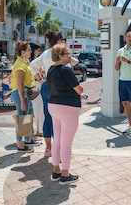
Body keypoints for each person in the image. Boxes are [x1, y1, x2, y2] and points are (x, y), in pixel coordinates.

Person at [30, 31, 78, 157]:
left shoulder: (45, 53)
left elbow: (32, 65)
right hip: (61, 88)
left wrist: (41, 79)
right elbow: (75, 63)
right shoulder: (60, 54)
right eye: (62, 40)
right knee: (61, 120)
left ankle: (49, 148)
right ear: (58, 41)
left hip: (47, 86)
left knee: (48, 118)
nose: (64, 42)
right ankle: (60, 150)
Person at [47, 43, 84, 185]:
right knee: (66, 142)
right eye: (67, 53)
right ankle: (65, 174)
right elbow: (79, 90)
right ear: (60, 56)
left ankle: (55, 170)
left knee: (57, 140)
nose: (70, 56)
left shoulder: (51, 69)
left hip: (53, 105)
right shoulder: (66, 70)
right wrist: (80, 91)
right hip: (68, 107)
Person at [10, 41, 40, 153]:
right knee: (22, 117)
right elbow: (19, 84)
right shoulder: (20, 65)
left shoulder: (25, 62)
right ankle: (20, 143)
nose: (31, 52)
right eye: (28, 50)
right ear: (23, 52)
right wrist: (22, 100)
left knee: (28, 116)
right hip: (21, 93)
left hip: (27, 93)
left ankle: (27, 139)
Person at [29, 42, 44, 137]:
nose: (39, 52)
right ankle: (34, 131)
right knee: (34, 108)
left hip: (37, 85)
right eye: (37, 50)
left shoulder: (35, 61)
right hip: (34, 85)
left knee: (39, 108)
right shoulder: (29, 62)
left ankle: (38, 129)